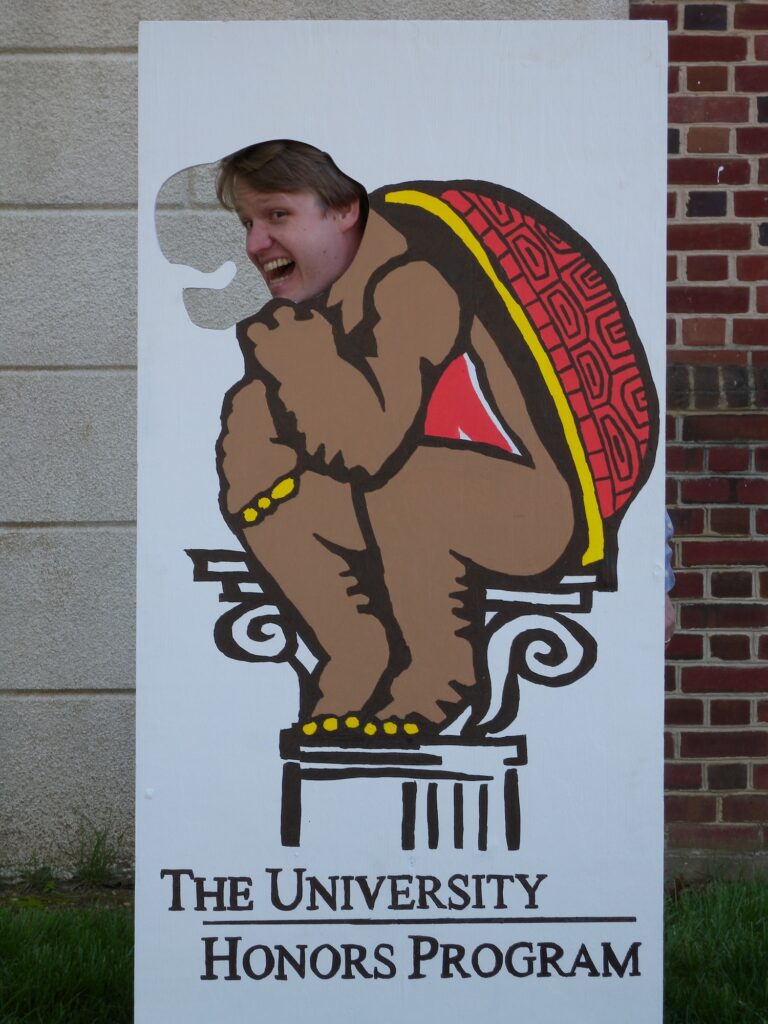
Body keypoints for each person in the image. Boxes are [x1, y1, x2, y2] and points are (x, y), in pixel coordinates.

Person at [214, 140, 656, 738]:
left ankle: (438, 675)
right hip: (422, 506)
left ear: (345, 209)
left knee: (407, 479)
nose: (254, 245)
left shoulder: (415, 277)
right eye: (247, 223)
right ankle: (356, 648)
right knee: (254, 433)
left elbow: (368, 445)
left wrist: (296, 352)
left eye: (276, 216)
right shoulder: (335, 298)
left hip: (541, 511)